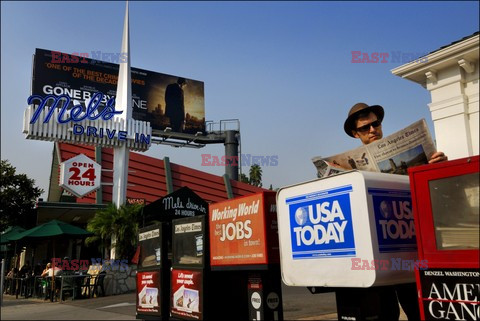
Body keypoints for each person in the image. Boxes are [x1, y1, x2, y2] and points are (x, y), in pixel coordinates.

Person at [337, 102, 448, 321]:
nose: (372, 130)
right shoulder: (351, 167)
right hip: (377, 252)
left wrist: (437, 167)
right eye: (364, 128)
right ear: (355, 133)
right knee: (385, 312)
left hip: (412, 244)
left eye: (375, 124)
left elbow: (435, 192)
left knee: (420, 308)